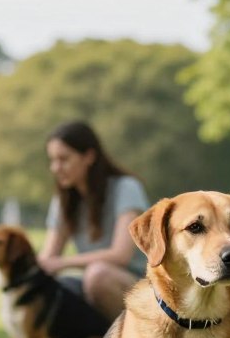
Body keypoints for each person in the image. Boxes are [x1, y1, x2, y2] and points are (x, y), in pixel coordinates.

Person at [39, 120, 149, 320]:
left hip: (142, 287)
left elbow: (120, 255)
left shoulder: (126, 188)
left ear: (88, 157)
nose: (55, 168)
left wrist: (62, 263)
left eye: (63, 159)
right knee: (51, 290)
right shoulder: (64, 201)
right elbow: (48, 260)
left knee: (98, 276)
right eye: (52, 160)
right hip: (95, 284)